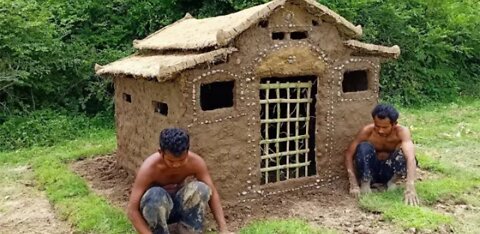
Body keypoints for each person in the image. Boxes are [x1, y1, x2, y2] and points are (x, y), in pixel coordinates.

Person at [127, 128, 232, 234]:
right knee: (154, 195)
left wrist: (224, 229)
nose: (176, 165)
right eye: (171, 161)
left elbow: (212, 194)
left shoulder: (196, 162)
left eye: (182, 160)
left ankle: (189, 229)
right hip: (158, 210)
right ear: (160, 152)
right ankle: (159, 231)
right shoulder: (149, 168)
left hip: (180, 208)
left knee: (201, 188)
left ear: (188, 151)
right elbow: (132, 210)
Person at [344, 104, 419, 206]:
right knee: (363, 146)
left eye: (385, 127)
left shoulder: (402, 132)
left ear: (394, 124)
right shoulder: (367, 131)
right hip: (372, 171)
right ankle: (366, 183)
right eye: (377, 126)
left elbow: (410, 158)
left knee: (404, 154)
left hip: (390, 171)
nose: (380, 130)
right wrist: (353, 184)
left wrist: (410, 187)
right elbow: (349, 154)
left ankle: (392, 182)